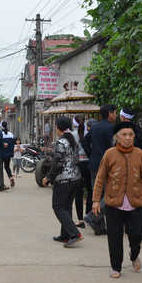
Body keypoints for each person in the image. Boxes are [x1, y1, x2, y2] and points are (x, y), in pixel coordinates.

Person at [92, 121, 142, 278]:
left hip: (135, 202)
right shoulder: (109, 154)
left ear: (134, 137)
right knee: (114, 237)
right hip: (114, 203)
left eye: (130, 135)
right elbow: (100, 179)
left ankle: (134, 254)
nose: (127, 138)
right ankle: (116, 267)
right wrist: (96, 200)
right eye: (124, 135)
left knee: (137, 234)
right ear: (117, 137)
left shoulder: (140, 154)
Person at [42, 116, 83, 248]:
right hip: (75, 177)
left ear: (59, 128)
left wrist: (48, 177)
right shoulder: (73, 141)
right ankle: (66, 235)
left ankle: (75, 234)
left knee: (58, 207)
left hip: (64, 179)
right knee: (66, 207)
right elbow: (76, 160)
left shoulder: (61, 143)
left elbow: (57, 164)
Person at [81, 104, 117, 235]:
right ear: (109, 113)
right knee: (111, 194)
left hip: (94, 165)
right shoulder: (111, 129)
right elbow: (113, 148)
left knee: (98, 194)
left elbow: (85, 142)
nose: (116, 115)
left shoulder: (94, 127)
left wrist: (92, 155)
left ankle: (99, 227)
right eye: (115, 113)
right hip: (107, 167)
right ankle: (92, 216)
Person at [74, 116, 95, 229]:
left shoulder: (72, 135)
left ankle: (80, 220)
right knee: (91, 190)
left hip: (77, 164)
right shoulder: (90, 133)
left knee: (78, 192)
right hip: (89, 164)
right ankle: (89, 216)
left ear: (74, 124)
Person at [0, 121, 16, 187]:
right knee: (7, 167)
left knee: (0, 168)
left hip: (1, 154)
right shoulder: (11, 134)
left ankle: (1, 182)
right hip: (8, 154)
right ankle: (10, 177)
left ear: (1, 126)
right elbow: (12, 145)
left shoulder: (0, 134)